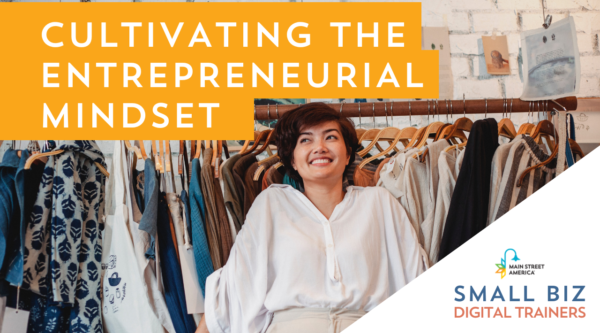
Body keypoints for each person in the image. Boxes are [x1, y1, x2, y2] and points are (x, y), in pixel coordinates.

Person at [196, 103, 427, 333]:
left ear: (347, 154)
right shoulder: (272, 204)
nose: (319, 147)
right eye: (305, 140)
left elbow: (415, 279)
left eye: (331, 137)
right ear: (293, 161)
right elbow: (234, 286)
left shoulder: (380, 203)